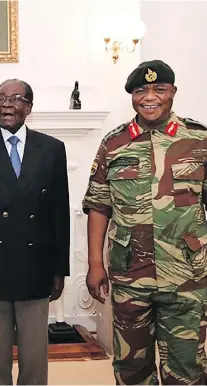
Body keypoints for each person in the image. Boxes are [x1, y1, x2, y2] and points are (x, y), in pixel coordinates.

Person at [83, 59, 207, 385]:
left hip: (188, 277)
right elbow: (98, 206)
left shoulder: (199, 140)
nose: (149, 97)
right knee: (131, 368)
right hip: (129, 276)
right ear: (132, 96)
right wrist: (96, 264)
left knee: (188, 369)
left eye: (159, 89)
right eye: (140, 90)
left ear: (173, 93)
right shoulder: (114, 143)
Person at [0, 79, 71, 385]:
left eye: (16, 98)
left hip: (36, 265)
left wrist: (60, 269)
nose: (7, 104)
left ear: (29, 108)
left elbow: (60, 213)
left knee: (35, 354)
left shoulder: (51, 148)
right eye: (1, 98)